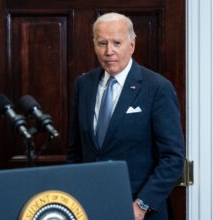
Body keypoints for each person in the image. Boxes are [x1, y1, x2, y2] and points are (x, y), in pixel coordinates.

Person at [67, 12, 185, 220]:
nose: (109, 51)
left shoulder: (157, 88)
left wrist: (141, 206)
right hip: (90, 205)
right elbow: (75, 150)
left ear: (132, 45)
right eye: (102, 43)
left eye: (117, 43)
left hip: (140, 209)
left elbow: (173, 158)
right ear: (94, 44)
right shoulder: (83, 84)